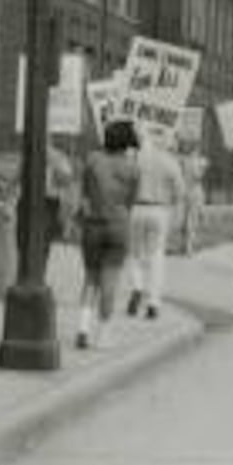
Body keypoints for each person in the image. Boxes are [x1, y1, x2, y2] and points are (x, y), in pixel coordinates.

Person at [75, 119, 141, 349]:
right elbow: (131, 201)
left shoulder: (92, 160)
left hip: (93, 224)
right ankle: (103, 335)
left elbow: (83, 192)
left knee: (91, 276)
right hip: (118, 226)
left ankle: (82, 328)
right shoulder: (133, 168)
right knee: (110, 280)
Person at [125, 126, 185, 320]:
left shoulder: (137, 158)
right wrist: (176, 213)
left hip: (137, 208)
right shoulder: (171, 162)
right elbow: (180, 193)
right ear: (167, 141)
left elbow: (127, 183)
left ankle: (137, 286)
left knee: (134, 254)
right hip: (159, 210)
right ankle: (153, 303)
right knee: (156, 256)